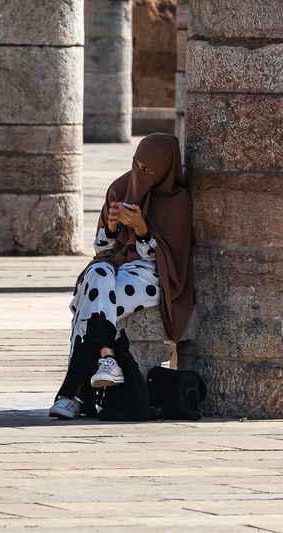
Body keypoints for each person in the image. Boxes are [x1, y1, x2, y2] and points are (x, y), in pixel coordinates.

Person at [49, 133, 194, 419]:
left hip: (152, 277)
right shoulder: (119, 188)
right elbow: (102, 250)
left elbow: (168, 259)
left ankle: (72, 396)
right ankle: (107, 358)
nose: (139, 174)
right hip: (113, 269)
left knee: (88, 305)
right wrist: (113, 228)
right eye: (136, 165)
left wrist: (141, 229)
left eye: (147, 170)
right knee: (97, 273)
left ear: (164, 170)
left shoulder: (177, 202)